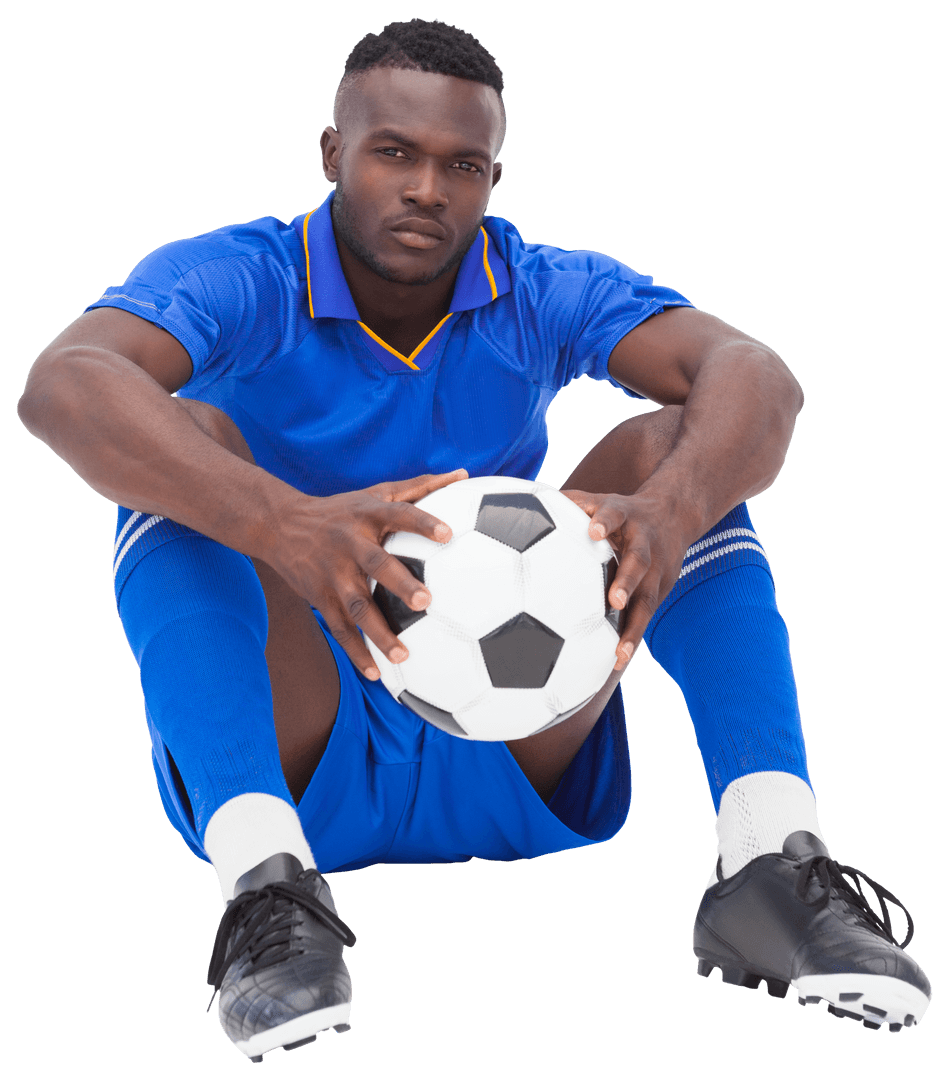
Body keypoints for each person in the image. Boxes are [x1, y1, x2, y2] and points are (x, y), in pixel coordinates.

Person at [17, 17, 930, 1062]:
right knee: (173, 439)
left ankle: (767, 859)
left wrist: (672, 512)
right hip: (291, 741)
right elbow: (64, 384)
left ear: (495, 176)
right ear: (332, 154)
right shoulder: (245, 277)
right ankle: (265, 894)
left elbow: (757, 375)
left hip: (506, 724)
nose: (426, 189)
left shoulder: (536, 287)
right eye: (393, 152)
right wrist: (285, 522)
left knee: (681, 447)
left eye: (463, 165)